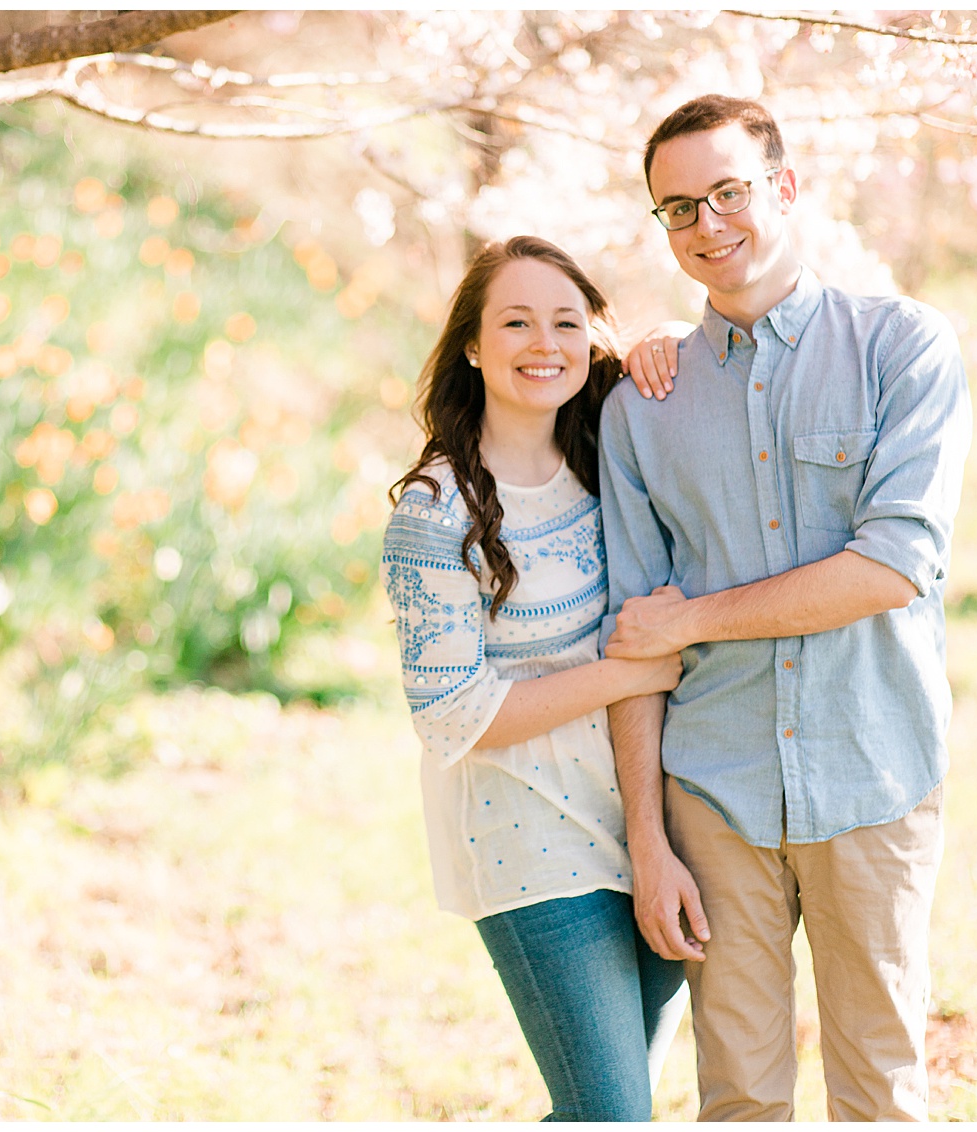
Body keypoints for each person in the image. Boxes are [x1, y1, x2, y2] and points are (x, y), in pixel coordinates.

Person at [597, 94, 971, 1121]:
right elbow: (634, 637)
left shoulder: (903, 348)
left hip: (873, 772)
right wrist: (648, 839)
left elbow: (891, 566)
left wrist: (694, 618)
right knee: (739, 1098)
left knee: (881, 1091)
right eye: (678, 208)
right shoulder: (643, 406)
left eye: (728, 193)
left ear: (786, 187)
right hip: (714, 797)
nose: (709, 226)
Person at [381, 235, 689, 1122]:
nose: (542, 343)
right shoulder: (436, 515)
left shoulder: (608, 459)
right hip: (529, 843)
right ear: (472, 345)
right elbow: (452, 716)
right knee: (613, 1114)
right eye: (515, 322)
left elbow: (681, 349)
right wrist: (631, 667)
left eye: (564, 321)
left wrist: (663, 333)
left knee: (610, 1104)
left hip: (649, 821)